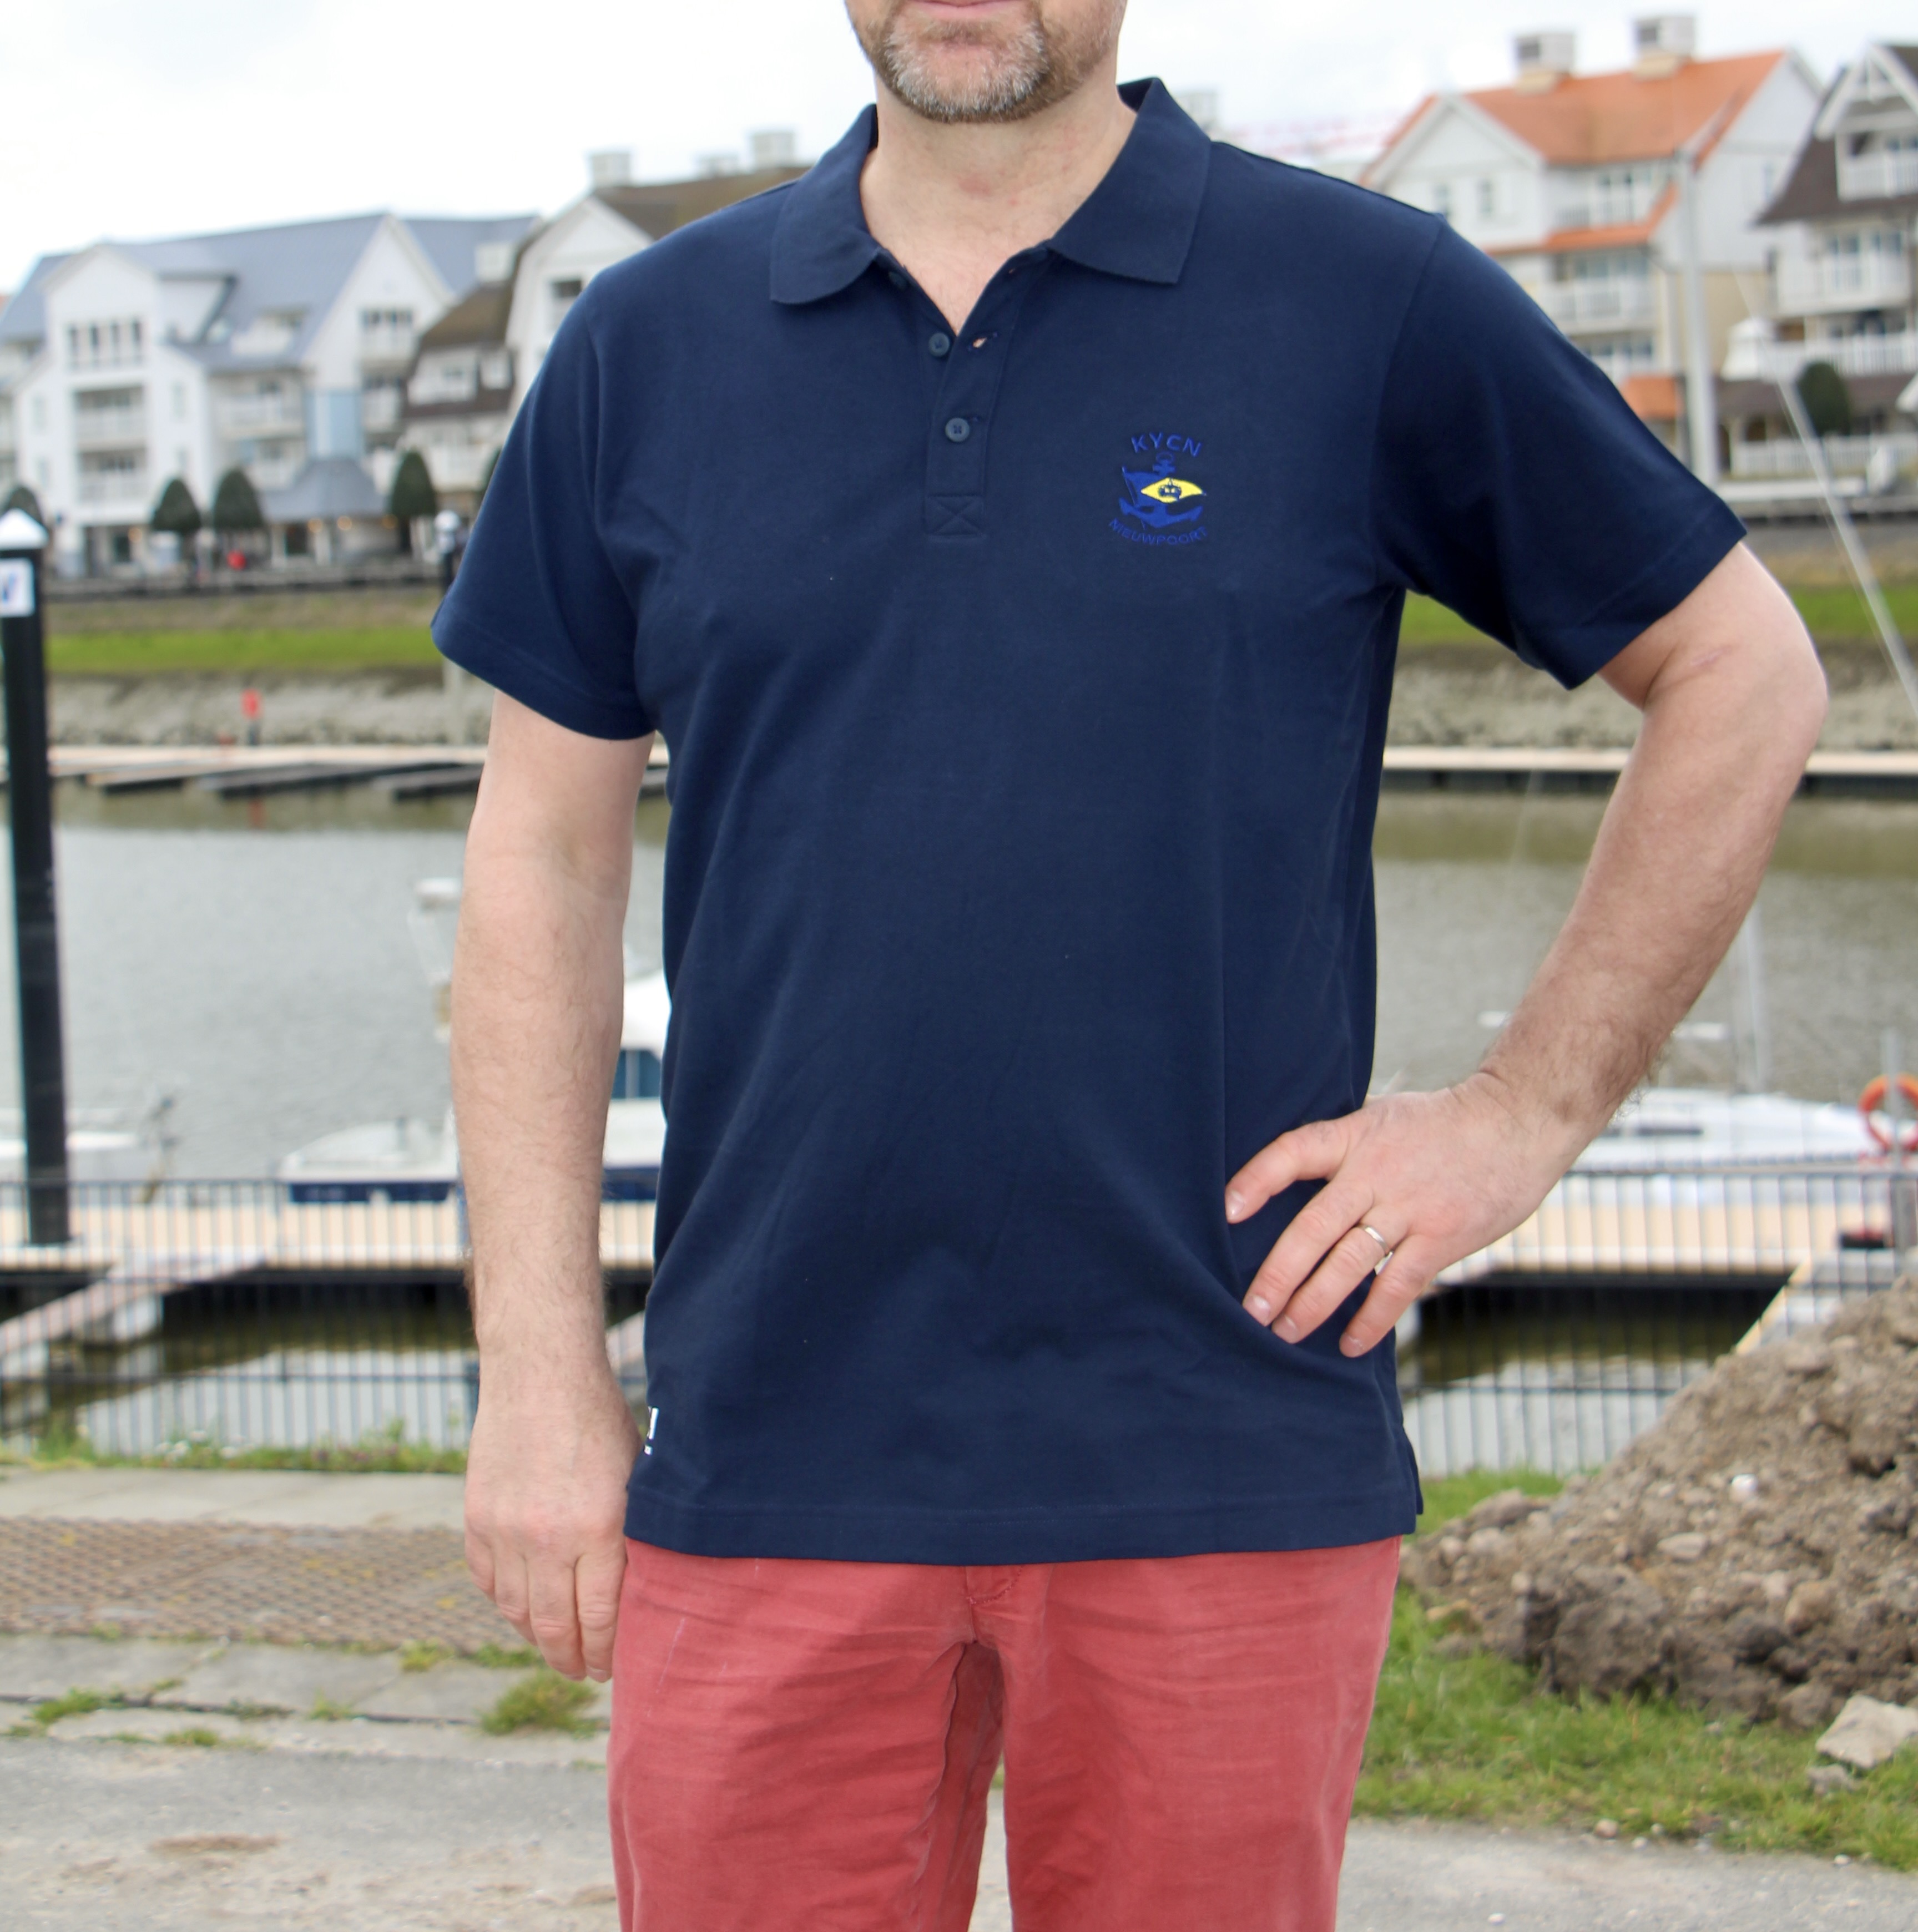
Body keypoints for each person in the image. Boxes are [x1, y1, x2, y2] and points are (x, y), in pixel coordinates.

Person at [433, 3, 1827, 1926]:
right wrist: (535, 1370)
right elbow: (542, 856)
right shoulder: (643, 346)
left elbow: (1745, 669)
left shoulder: (1362, 298)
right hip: (764, 1452)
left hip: (1220, 1444)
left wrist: (1522, 1113)